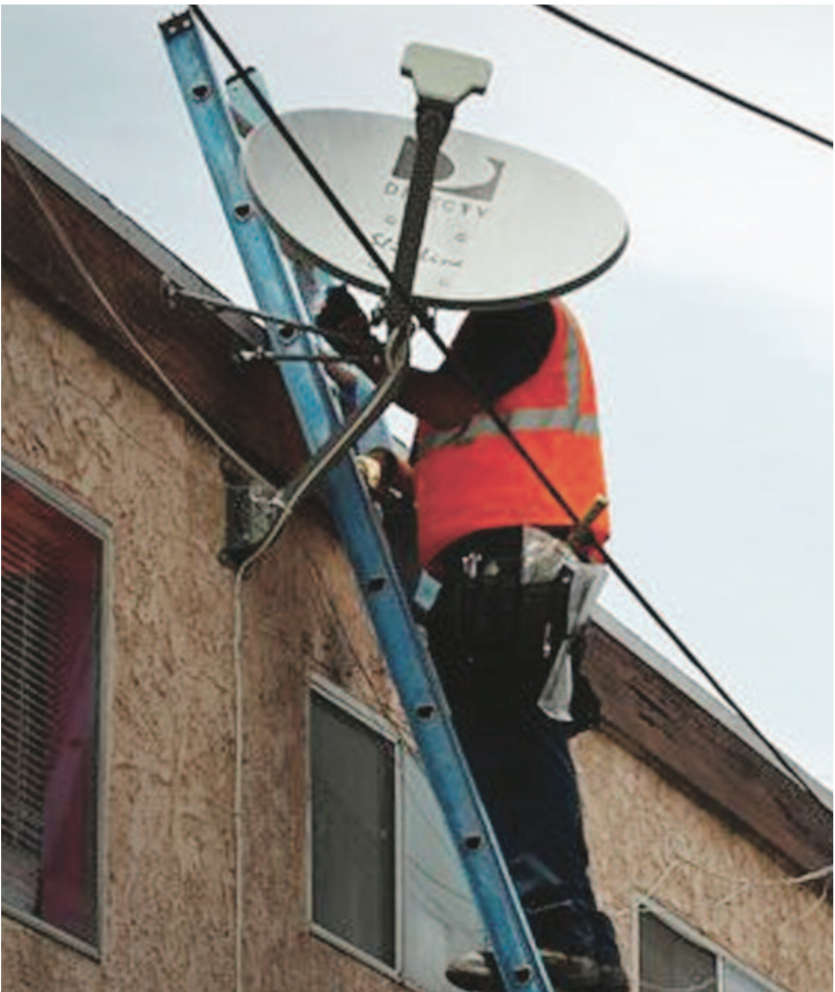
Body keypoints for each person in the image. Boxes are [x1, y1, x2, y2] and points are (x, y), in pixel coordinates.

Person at [317, 287, 628, 992]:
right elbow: (464, 452)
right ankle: (579, 946)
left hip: (516, 556)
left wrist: (362, 356)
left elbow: (450, 404)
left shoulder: (517, 314)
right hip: (511, 556)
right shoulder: (494, 342)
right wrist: (400, 478)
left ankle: (561, 936)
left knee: (512, 743)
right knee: (513, 741)